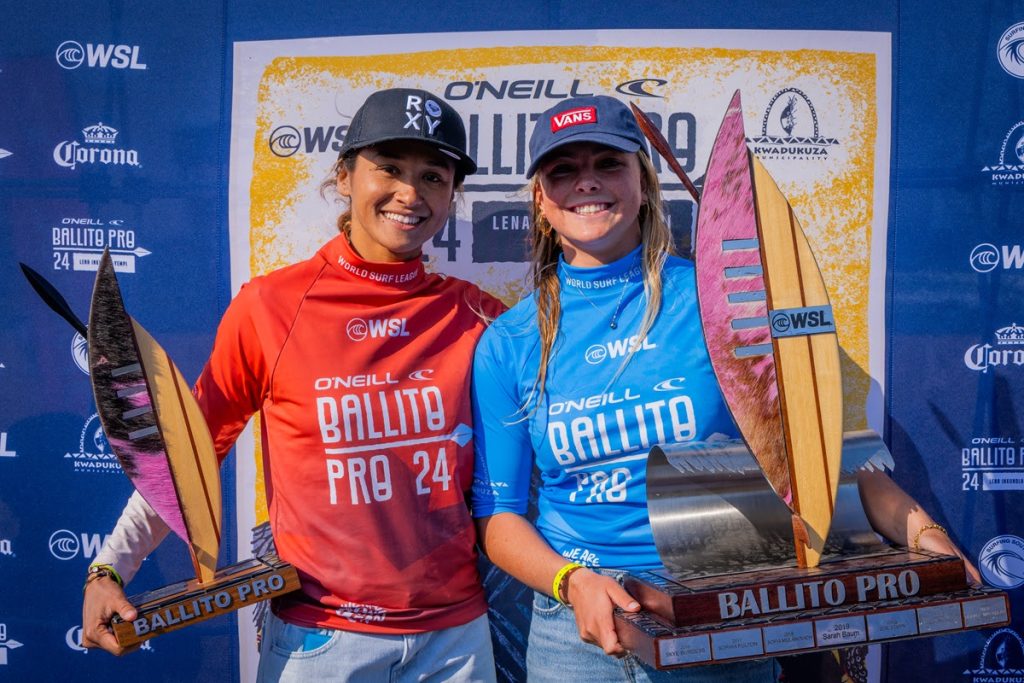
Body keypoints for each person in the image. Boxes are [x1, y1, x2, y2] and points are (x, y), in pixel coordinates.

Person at [470, 95, 979, 682]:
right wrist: (572, 581)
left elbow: (830, 461)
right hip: (576, 638)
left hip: (721, 620)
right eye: (564, 170)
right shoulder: (509, 341)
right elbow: (499, 515)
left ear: (643, 180)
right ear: (541, 198)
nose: (587, 182)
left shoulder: (727, 304)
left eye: (608, 163)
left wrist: (926, 535)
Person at [81, 87, 504, 682]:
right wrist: (109, 568)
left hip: (454, 640)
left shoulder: (479, 315)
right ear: (345, 176)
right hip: (320, 638)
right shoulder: (271, 306)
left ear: (451, 194)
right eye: (389, 168)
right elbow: (189, 456)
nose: (411, 194)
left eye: (433, 176)